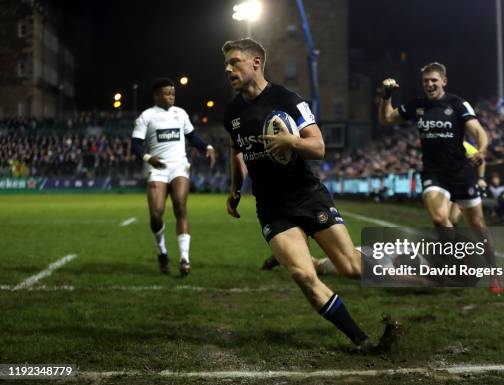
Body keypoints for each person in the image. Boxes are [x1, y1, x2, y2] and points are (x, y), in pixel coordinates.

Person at [222, 38, 397, 352]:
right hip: (272, 207)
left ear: (256, 63)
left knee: (352, 269)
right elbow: (237, 152)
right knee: (303, 276)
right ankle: (361, 341)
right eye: (227, 64)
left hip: (306, 195)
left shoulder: (287, 99)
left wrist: (292, 142)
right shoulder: (232, 113)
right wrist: (235, 188)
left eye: (235, 62)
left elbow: (318, 147)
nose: (228, 69)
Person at [378, 62, 502, 295]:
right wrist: (386, 96)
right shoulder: (418, 104)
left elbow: (479, 132)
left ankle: (494, 272)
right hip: (433, 173)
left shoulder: (457, 103)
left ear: (444, 81)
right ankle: (464, 257)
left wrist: (482, 151)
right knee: (439, 219)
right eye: (426, 81)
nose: (429, 84)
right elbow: (386, 119)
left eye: (434, 80)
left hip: (460, 172)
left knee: (477, 225)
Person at [131, 78, 216, 276]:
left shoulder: (181, 113)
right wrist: (148, 158)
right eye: (167, 93)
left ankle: (184, 259)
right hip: (158, 169)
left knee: (180, 206)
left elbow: (193, 137)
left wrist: (208, 147)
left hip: (179, 166)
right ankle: (162, 252)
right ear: (156, 95)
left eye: (173, 93)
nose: (172, 96)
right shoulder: (147, 116)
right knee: (156, 214)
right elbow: (135, 145)